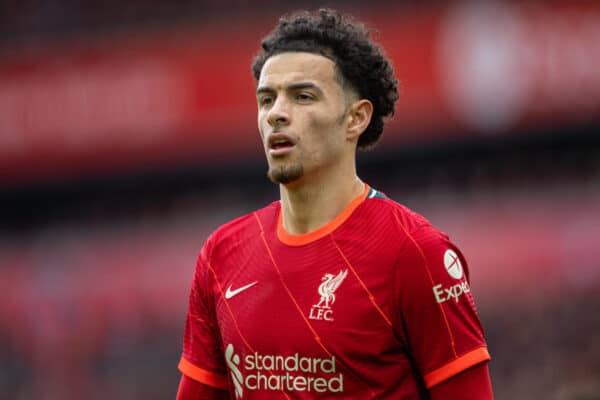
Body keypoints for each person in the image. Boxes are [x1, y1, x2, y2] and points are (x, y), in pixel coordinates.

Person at [176, 8, 493, 399]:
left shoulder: (415, 253)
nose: (276, 114)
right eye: (266, 99)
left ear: (355, 118)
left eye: (303, 96)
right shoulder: (220, 255)